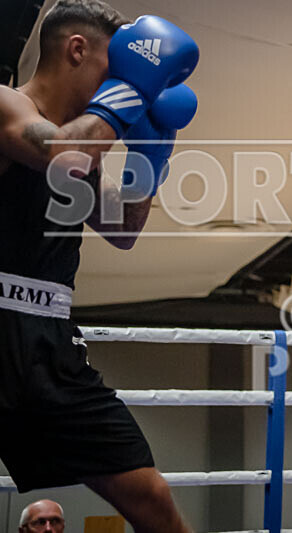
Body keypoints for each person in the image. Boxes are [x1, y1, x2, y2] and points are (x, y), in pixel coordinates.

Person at [0, 1, 198, 531]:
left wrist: (153, 148)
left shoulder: (86, 146)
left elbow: (124, 228)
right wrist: (132, 93)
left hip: (50, 340)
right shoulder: (5, 105)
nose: (126, 84)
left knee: (150, 495)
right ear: (77, 49)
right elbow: (64, 151)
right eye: (118, 70)